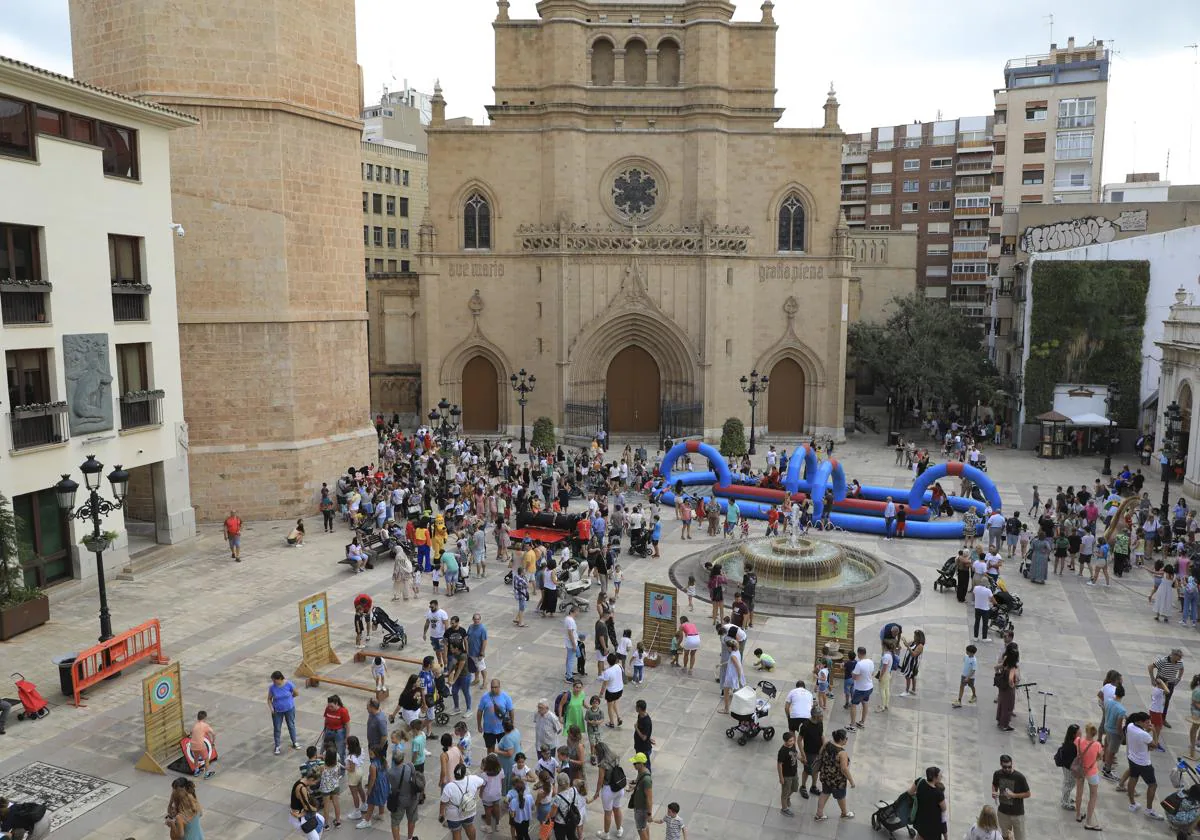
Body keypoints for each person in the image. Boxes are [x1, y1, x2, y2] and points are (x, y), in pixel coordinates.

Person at [1123, 712, 1166, 820]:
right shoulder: (1144, 734)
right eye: (1147, 722)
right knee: (1153, 785)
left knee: (1133, 778)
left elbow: (1142, 737)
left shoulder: (1130, 726)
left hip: (1132, 758)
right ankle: (1149, 810)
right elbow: (1154, 745)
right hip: (1144, 763)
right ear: (1140, 722)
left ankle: (1132, 804)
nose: (1149, 724)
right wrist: (1154, 732)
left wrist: (1147, 730)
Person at [814, 728, 854, 821]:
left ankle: (819, 814)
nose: (847, 740)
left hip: (826, 775)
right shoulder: (842, 753)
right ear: (841, 740)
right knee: (841, 797)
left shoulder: (827, 744)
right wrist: (851, 781)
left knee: (824, 793)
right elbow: (844, 769)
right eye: (846, 738)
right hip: (837, 780)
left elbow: (820, 754)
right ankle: (844, 813)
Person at [590, 740, 625, 840]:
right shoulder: (615, 756)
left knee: (608, 813)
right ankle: (619, 830)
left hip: (608, 790)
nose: (596, 755)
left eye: (596, 753)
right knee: (617, 809)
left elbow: (600, 780)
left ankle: (606, 834)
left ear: (600, 753)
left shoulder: (603, 764)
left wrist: (597, 792)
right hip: (619, 787)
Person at [439, 763, 485, 840]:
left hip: (454, 815)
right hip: (469, 810)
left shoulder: (449, 787)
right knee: (470, 826)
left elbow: (443, 802)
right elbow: (483, 782)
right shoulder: (472, 779)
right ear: (464, 773)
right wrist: (476, 792)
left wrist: (441, 814)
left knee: (456, 832)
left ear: (454, 773)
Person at [991, 754, 1030, 840]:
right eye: (1005, 767)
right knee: (1005, 837)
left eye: (1009, 766)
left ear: (1012, 764)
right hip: (1003, 813)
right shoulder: (997, 774)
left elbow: (1028, 794)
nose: (1007, 769)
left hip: (1017, 814)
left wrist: (1014, 795)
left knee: (1020, 838)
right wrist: (994, 792)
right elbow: (994, 784)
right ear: (1001, 764)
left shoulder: (1019, 777)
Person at [1073, 722, 1103, 830]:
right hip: (1092, 771)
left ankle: (1078, 815)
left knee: (1079, 793)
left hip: (1080, 770)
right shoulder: (1097, 745)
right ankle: (1089, 821)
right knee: (1093, 795)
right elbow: (1100, 757)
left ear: (1086, 731)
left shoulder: (1078, 741)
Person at [907, 766, 947, 840]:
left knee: (920, 835)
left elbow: (910, 792)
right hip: (932, 825)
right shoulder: (938, 793)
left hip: (920, 819)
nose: (941, 776)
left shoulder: (920, 781)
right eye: (940, 775)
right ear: (935, 778)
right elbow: (944, 808)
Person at [267, 671, 301, 756]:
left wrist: (290, 698)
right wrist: (271, 709)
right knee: (277, 728)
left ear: (280, 679)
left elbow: (296, 693)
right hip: (277, 711)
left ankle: (294, 742)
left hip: (289, 709)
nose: (274, 682)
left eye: (275, 680)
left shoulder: (289, 684)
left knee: (291, 725)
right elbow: (269, 699)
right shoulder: (272, 688)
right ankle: (277, 746)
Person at [477, 680, 514, 755]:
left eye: (496, 687)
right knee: (490, 749)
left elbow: (511, 711)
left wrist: (511, 725)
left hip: (502, 729)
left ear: (499, 687)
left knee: (503, 749)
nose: (494, 689)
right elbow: (480, 711)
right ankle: (490, 764)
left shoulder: (506, 697)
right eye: (492, 687)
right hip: (488, 729)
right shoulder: (485, 697)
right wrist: (479, 725)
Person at [289, 767, 325, 839]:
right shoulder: (302, 788)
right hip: (299, 817)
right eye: (315, 782)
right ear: (311, 779)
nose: (315, 784)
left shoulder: (302, 781)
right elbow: (307, 807)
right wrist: (315, 809)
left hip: (303, 814)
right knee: (315, 838)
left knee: (321, 819)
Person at [627, 753, 654, 840]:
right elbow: (640, 786)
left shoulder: (646, 779)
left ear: (641, 764)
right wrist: (634, 787)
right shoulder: (641, 772)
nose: (633, 765)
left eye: (635, 763)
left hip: (642, 809)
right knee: (644, 826)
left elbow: (649, 798)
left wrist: (649, 814)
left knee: (640, 829)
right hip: (639, 806)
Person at [848, 646, 873, 730]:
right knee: (865, 703)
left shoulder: (859, 664)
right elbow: (871, 673)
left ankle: (852, 725)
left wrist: (852, 673)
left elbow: (855, 677)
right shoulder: (870, 661)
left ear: (858, 653)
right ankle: (862, 722)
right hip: (869, 687)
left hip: (860, 689)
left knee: (853, 705)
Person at [186, 710, 217, 778]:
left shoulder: (195, 725)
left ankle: (196, 771)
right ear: (205, 718)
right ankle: (207, 774)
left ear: (198, 718)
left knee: (196, 758)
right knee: (206, 759)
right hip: (200, 745)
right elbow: (213, 734)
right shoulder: (205, 725)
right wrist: (212, 743)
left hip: (193, 744)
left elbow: (191, 733)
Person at [718, 639, 745, 714]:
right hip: (733, 675)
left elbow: (738, 666)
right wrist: (722, 664)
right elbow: (731, 661)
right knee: (731, 691)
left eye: (727, 647)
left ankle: (726, 709)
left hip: (731, 676)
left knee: (726, 693)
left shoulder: (733, 655)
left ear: (730, 647)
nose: (727, 648)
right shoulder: (736, 652)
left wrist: (739, 679)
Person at [995, 648, 1019, 731]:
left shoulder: (1005, 663)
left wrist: (998, 674)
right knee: (1008, 707)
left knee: (1001, 704)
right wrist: (1013, 685)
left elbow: (996, 667)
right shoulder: (1012, 668)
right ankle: (1004, 725)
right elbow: (1010, 679)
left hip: (1002, 687)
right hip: (1008, 690)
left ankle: (999, 721)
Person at [777, 730, 800, 816]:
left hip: (794, 772)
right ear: (785, 741)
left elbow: (795, 754)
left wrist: (800, 758)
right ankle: (784, 809)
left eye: (793, 740)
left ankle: (787, 798)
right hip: (786, 775)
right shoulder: (782, 751)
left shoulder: (793, 745)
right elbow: (779, 765)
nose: (792, 742)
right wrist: (781, 777)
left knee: (795, 788)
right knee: (784, 793)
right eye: (790, 741)